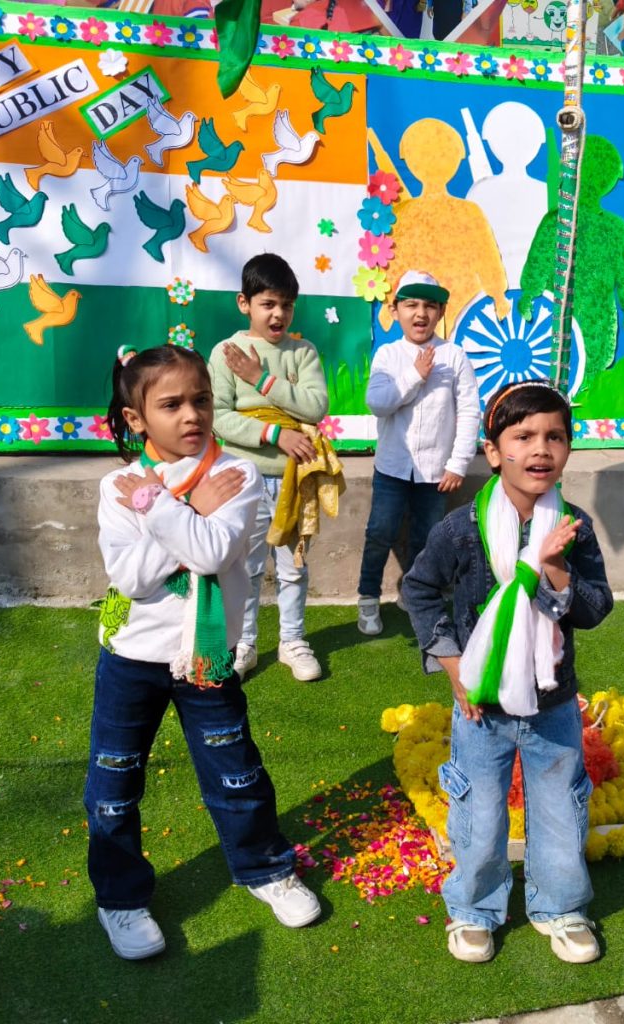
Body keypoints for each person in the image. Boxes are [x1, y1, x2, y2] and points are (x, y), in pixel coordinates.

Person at [88, 344, 320, 961]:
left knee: (236, 771)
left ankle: (266, 869)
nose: (191, 414)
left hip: (207, 655)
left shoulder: (236, 475)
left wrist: (159, 508)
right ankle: (120, 897)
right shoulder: (119, 485)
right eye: (171, 405)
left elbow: (215, 554)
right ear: (136, 419)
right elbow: (132, 578)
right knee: (113, 781)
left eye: (202, 400)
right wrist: (183, 511)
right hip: (131, 656)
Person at [402, 381, 613, 965]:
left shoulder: (573, 527)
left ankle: (561, 907)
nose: (540, 449)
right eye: (523, 437)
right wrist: (453, 667)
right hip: (481, 704)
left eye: (555, 437)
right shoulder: (461, 528)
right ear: (493, 452)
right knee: (479, 809)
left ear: (568, 449)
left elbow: (595, 608)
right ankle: (474, 909)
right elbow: (419, 590)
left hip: (552, 701)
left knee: (560, 805)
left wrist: (555, 569)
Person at [208, 253, 330, 682]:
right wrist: (276, 434)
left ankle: (292, 641)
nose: (278, 314)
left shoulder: (303, 352)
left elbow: (315, 407)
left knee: (294, 566)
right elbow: (218, 417)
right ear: (244, 303)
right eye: (268, 304)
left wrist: (262, 380)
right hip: (244, 480)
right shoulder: (226, 353)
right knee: (246, 567)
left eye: (287, 305)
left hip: (296, 480)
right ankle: (244, 642)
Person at [358, 270, 480, 635]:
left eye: (429, 305)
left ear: (441, 312)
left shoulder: (454, 356)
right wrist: (414, 375)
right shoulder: (388, 355)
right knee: (380, 532)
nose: (420, 313)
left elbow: (469, 412)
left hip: (436, 472)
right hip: (391, 468)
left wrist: (458, 464)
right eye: (411, 304)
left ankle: (414, 595)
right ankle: (368, 597)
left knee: (427, 538)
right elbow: (377, 403)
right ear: (395, 311)